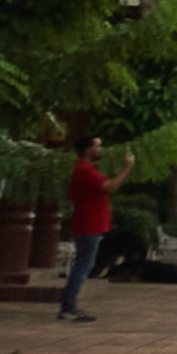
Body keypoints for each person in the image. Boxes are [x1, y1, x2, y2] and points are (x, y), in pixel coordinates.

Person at [54, 134, 119, 323]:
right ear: (87, 149)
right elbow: (111, 187)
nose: (100, 149)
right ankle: (68, 307)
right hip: (88, 225)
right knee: (82, 266)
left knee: (83, 265)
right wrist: (126, 169)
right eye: (97, 146)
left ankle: (69, 306)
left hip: (91, 224)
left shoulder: (88, 169)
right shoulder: (84, 170)